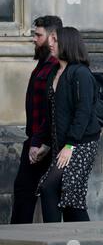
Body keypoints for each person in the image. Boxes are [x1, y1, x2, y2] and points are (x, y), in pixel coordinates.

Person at [36, 27, 101, 223]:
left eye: (55, 40)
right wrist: (46, 143)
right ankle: (67, 239)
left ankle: (58, 238)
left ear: (67, 43)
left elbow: (83, 112)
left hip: (81, 143)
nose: (50, 43)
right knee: (68, 197)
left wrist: (70, 145)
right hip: (62, 143)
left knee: (53, 188)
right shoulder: (55, 72)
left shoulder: (80, 73)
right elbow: (53, 112)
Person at [10, 16, 63, 224]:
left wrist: (42, 143)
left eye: (38, 35)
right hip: (34, 138)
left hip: (46, 143)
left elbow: (52, 110)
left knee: (47, 195)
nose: (34, 39)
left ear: (52, 37)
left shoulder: (56, 66)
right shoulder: (43, 63)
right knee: (24, 192)